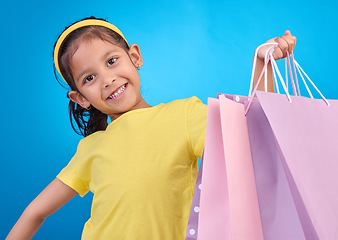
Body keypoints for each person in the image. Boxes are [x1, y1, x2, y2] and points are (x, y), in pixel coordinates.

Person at [6, 16, 296, 240]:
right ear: (80, 98)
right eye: (89, 78)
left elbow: (248, 137)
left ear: (135, 57)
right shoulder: (90, 148)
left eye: (111, 61)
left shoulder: (183, 115)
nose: (107, 79)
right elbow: (35, 212)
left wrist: (263, 64)